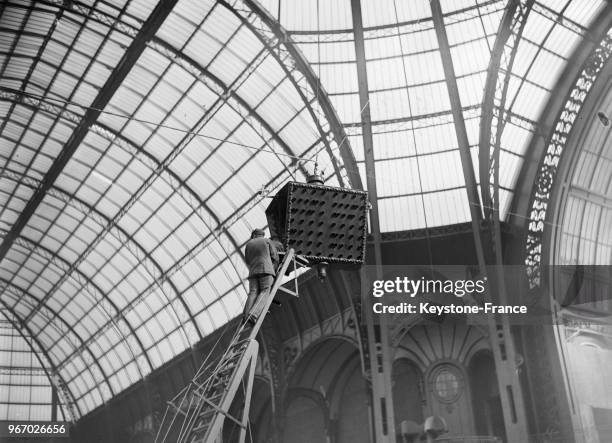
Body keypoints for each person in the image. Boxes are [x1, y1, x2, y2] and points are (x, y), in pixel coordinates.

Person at [243, 228, 279, 325]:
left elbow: (247, 260)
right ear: (261, 235)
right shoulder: (267, 241)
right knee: (265, 290)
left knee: (253, 293)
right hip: (266, 269)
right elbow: (275, 256)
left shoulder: (249, 244)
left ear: (254, 235)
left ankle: (245, 316)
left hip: (253, 272)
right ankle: (253, 314)